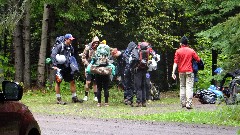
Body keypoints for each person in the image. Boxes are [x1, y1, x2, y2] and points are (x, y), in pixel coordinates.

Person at [51, 34, 83, 105]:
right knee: (58, 82)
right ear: (66, 39)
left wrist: (73, 66)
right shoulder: (60, 46)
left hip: (67, 67)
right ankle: (58, 99)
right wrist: (54, 65)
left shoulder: (71, 47)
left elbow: (71, 57)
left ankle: (74, 98)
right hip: (60, 67)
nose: (71, 40)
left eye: (72, 39)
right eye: (70, 39)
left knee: (72, 81)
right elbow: (53, 54)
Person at [172, 36, 200, 109]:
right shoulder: (191, 50)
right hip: (189, 71)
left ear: (181, 43)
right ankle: (189, 104)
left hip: (181, 71)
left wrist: (173, 72)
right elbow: (198, 59)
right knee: (189, 87)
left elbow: (175, 62)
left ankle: (183, 103)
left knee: (182, 87)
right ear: (187, 43)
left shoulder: (178, 51)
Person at [81, 36, 100, 101]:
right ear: (92, 42)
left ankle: (96, 96)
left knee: (95, 82)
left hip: (96, 67)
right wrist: (88, 65)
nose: (96, 44)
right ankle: (86, 95)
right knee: (88, 82)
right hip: (88, 67)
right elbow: (83, 58)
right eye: (95, 43)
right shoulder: (88, 48)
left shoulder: (99, 49)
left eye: (97, 43)